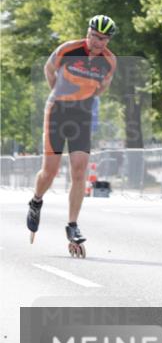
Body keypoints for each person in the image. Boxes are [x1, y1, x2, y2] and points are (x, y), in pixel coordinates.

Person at [27, 15, 118, 253]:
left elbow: (103, 86)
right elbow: (49, 69)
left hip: (82, 115)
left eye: (104, 39)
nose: (99, 42)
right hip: (57, 111)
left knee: (79, 170)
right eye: (96, 37)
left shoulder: (109, 61)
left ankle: (72, 225)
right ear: (88, 33)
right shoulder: (68, 49)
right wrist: (58, 92)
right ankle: (36, 200)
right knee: (50, 171)